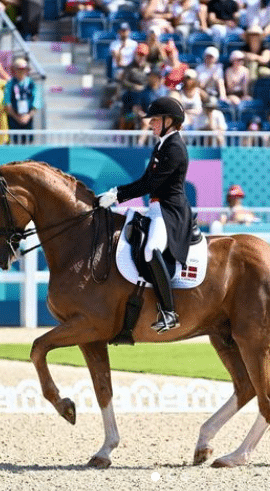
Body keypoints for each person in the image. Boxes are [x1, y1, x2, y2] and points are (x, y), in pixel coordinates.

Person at [96, 96, 191, 333]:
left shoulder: (175, 147)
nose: (151, 124)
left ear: (171, 121)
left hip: (170, 211)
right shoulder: (161, 145)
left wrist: (118, 196)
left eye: (156, 120)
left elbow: (151, 183)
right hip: (156, 207)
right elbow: (145, 181)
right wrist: (116, 192)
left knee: (151, 250)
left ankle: (169, 311)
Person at [4, 57, 41, 144]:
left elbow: (36, 102)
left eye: (24, 69)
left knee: (28, 143)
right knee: (14, 142)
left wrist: (28, 116)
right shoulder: (10, 84)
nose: (22, 71)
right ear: (14, 70)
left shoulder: (32, 84)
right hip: (14, 118)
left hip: (28, 118)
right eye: (19, 69)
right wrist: (16, 117)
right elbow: (7, 103)